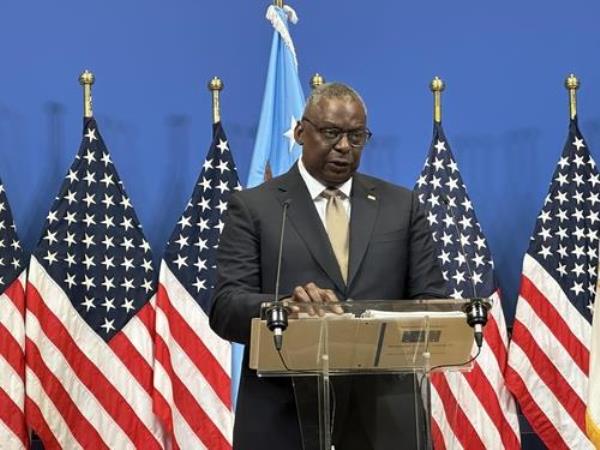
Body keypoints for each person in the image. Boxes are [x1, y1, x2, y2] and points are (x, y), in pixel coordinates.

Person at [210, 82, 446, 450]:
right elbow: (225, 307)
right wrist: (282, 308)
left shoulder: (401, 206)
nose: (343, 147)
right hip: (285, 415)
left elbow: (431, 300)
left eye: (356, 137)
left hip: (385, 419)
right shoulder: (256, 208)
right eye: (331, 133)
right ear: (302, 132)